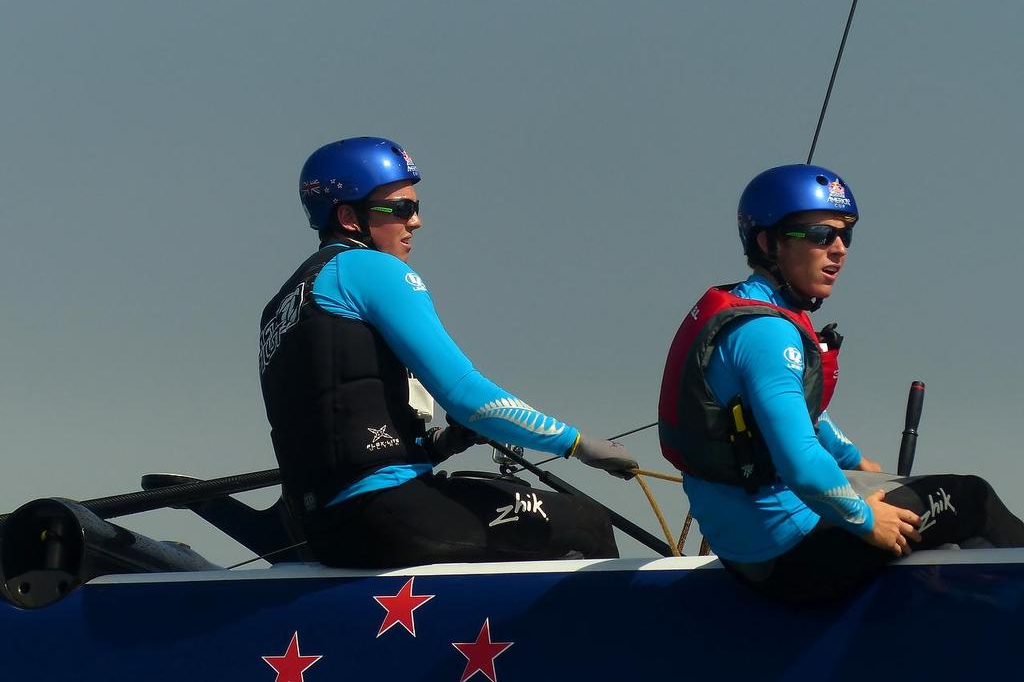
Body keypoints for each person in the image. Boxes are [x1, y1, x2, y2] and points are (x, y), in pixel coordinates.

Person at [259, 136, 635, 568]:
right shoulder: (369, 269)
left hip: (327, 527)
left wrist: (443, 444)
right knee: (586, 523)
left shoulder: (283, 304)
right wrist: (578, 443)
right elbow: (465, 394)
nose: (416, 221)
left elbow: (340, 429)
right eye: (401, 208)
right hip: (391, 513)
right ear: (348, 216)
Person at [658, 164, 1024, 604]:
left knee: (906, 496)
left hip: (749, 551)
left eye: (844, 236)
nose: (838, 250)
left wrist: (859, 463)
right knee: (971, 497)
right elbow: (801, 464)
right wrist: (868, 521)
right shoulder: (767, 334)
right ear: (767, 242)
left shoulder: (751, 308)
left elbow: (807, 418)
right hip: (794, 558)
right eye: (818, 235)